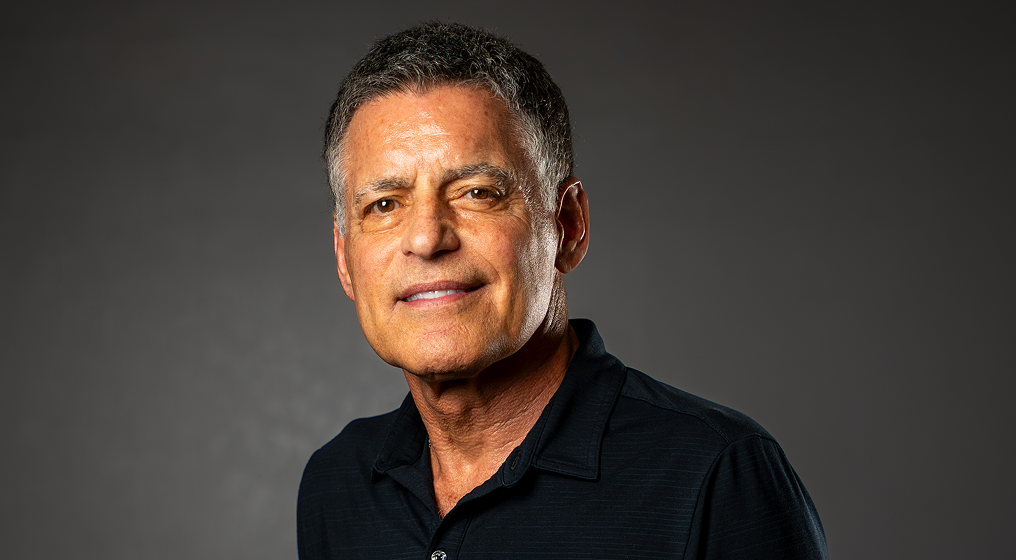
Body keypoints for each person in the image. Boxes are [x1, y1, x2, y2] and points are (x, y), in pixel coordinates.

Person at [298, 22, 828, 560]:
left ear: (568, 226)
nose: (427, 238)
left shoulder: (716, 475)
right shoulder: (336, 487)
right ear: (344, 258)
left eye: (477, 193)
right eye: (384, 205)